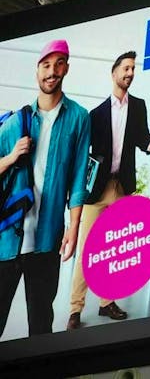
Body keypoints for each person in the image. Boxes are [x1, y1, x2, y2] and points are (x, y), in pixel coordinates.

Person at [67, 51, 150, 330]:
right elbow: (83, 153)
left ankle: (106, 302)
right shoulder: (95, 114)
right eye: (126, 68)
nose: (130, 73)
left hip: (121, 188)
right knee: (87, 249)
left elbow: (142, 138)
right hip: (96, 190)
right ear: (114, 73)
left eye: (133, 69)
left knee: (113, 250)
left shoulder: (139, 106)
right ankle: (75, 309)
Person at [0, 39, 89, 336]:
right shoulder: (16, 122)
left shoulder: (78, 118)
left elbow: (78, 177)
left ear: (67, 67)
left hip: (48, 238)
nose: (52, 72)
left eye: (58, 64)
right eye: (46, 65)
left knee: (41, 325)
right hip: (7, 240)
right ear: (37, 71)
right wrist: (12, 156)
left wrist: (74, 228)